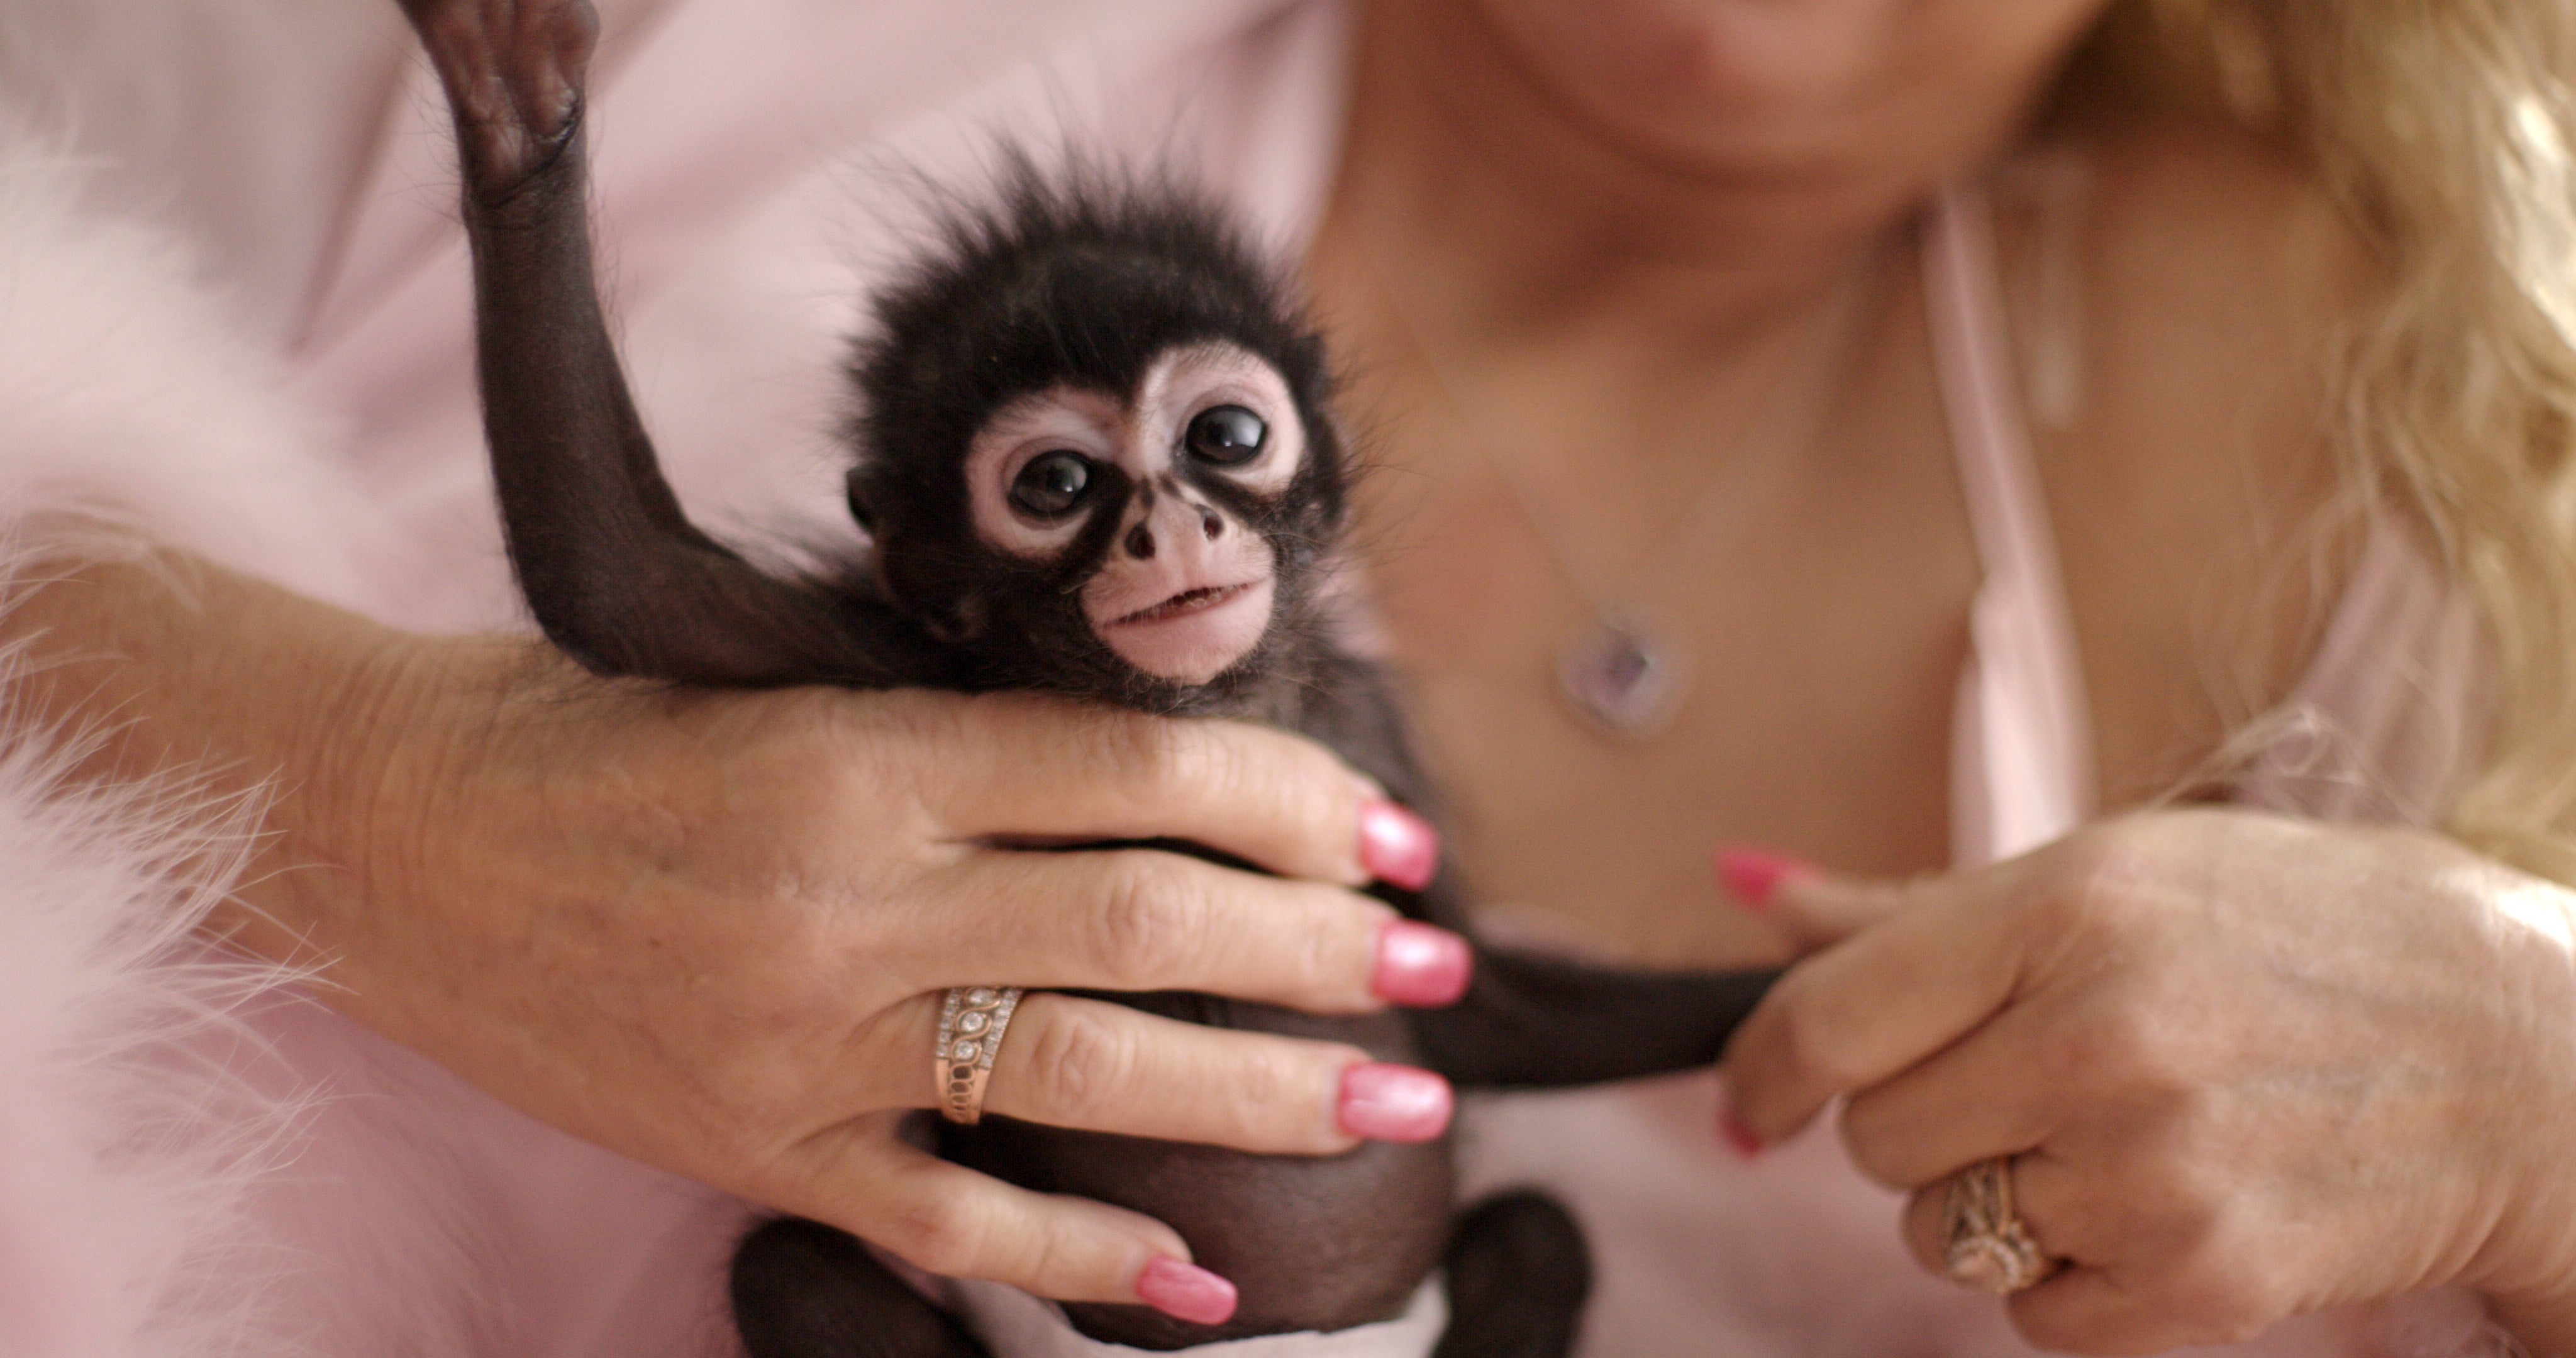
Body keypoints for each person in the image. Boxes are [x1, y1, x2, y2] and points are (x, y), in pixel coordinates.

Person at [1, 0, 2572, 1354]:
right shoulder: (711, 48)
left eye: (1218, 455)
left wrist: (2528, 1090)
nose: (1165, 531)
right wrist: (368, 790)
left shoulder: (2427, 395)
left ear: (1318, 463)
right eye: (1065, 492)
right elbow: (621, 572)